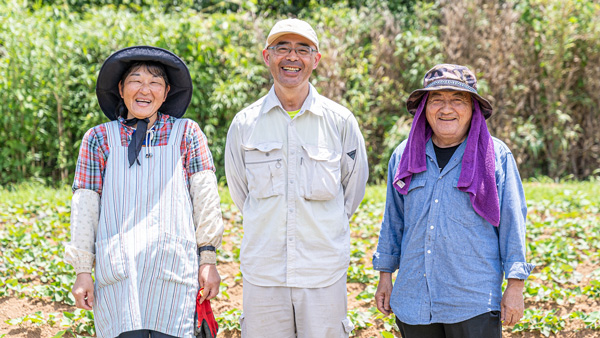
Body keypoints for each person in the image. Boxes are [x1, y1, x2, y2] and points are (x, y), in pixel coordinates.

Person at [64, 46, 224, 338]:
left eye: (155, 82)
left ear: (166, 93)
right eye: (136, 80)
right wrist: (83, 270)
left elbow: (206, 199)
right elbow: (85, 207)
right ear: (121, 88)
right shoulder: (98, 139)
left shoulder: (187, 134)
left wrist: (208, 260)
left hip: (173, 273)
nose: (144, 89)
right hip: (119, 274)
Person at [224, 18, 369, 338]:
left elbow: (352, 192)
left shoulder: (339, 121)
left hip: (323, 275)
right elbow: (240, 191)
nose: (292, 57)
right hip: (263, 275)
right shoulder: (245, 123)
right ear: (266, 56)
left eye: (303, 49)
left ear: (315, 60)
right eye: (282, 48)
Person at [373, 64, 535, 338]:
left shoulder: (496, 156)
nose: (446, 109)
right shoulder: (404, 156)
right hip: (414, 300)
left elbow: (513, 223)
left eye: (457, 100)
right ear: (424, 107)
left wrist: (516, 286)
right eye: (436, 100)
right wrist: (385, 276)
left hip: (472, 302)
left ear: (473, 108)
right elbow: (394, 220)